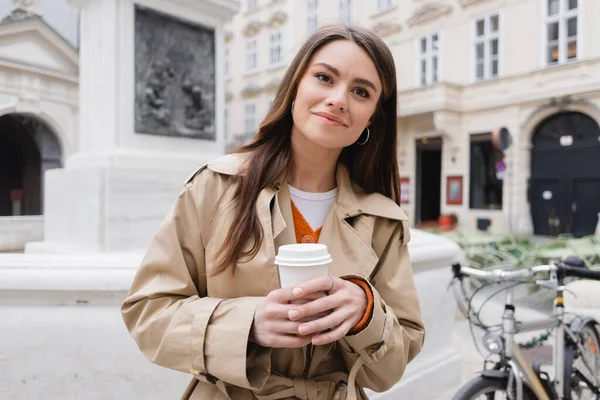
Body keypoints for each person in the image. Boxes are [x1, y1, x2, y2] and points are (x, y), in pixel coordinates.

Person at [122, 24, 425, 400]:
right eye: (324, 77)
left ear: (372, 118)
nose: (339, 99)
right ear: (295, 85)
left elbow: (390, 368)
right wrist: (246, 326)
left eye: (361, 91)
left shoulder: (383, 222)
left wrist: (366, 312)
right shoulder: (216, 187)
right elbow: (148, 313)